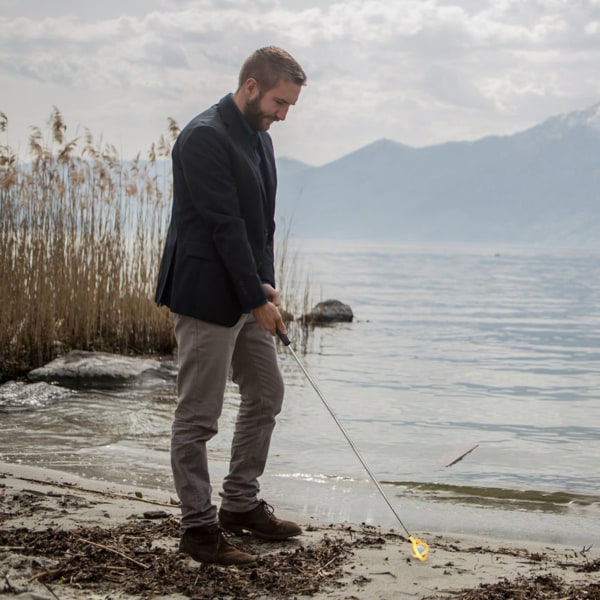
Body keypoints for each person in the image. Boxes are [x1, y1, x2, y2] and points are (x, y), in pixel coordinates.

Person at [155, 47, 307, 566]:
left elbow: (258, 225)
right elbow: (224, 226)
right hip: (203, 296)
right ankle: (198, 529)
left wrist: (264, 287)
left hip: (246, 293)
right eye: (279, 102)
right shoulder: (203, 138)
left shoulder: (259, 138)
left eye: (289, 106)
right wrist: (251, 296)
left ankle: (239, 505)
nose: (283, 115)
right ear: (249, 87)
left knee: (267, 393)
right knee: (198, 417)